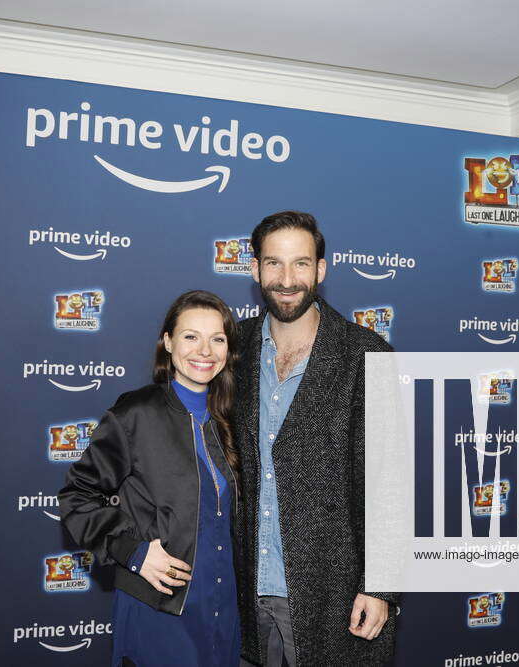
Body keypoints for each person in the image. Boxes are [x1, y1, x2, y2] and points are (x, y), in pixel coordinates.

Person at [232, 211, 399, 666]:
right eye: (274, 263)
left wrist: (381, 587)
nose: (287, 280)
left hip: (334, 594)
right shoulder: (233, 349)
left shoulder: (367, 354)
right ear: (255, 269)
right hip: (244, 592)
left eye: (301, 264)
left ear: (321, 270)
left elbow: (391, 482)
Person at [59, 290, 242, 667]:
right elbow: (77, 497)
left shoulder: (230, 418)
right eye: (190, 336)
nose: (204, 350)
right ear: (168, 342)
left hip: (222, 610)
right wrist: (133, 552)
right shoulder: (136, 413)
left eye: (217, 339)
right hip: (158, 608)